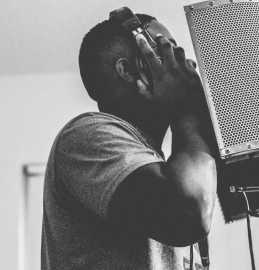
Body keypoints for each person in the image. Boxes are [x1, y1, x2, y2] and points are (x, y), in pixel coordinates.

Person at [41, 12, 216, 270]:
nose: (185, 64)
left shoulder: (166, 169)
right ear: (128, 69)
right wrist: (185, 110)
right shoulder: (86, 135)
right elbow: (189, 214)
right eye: (166, 52)